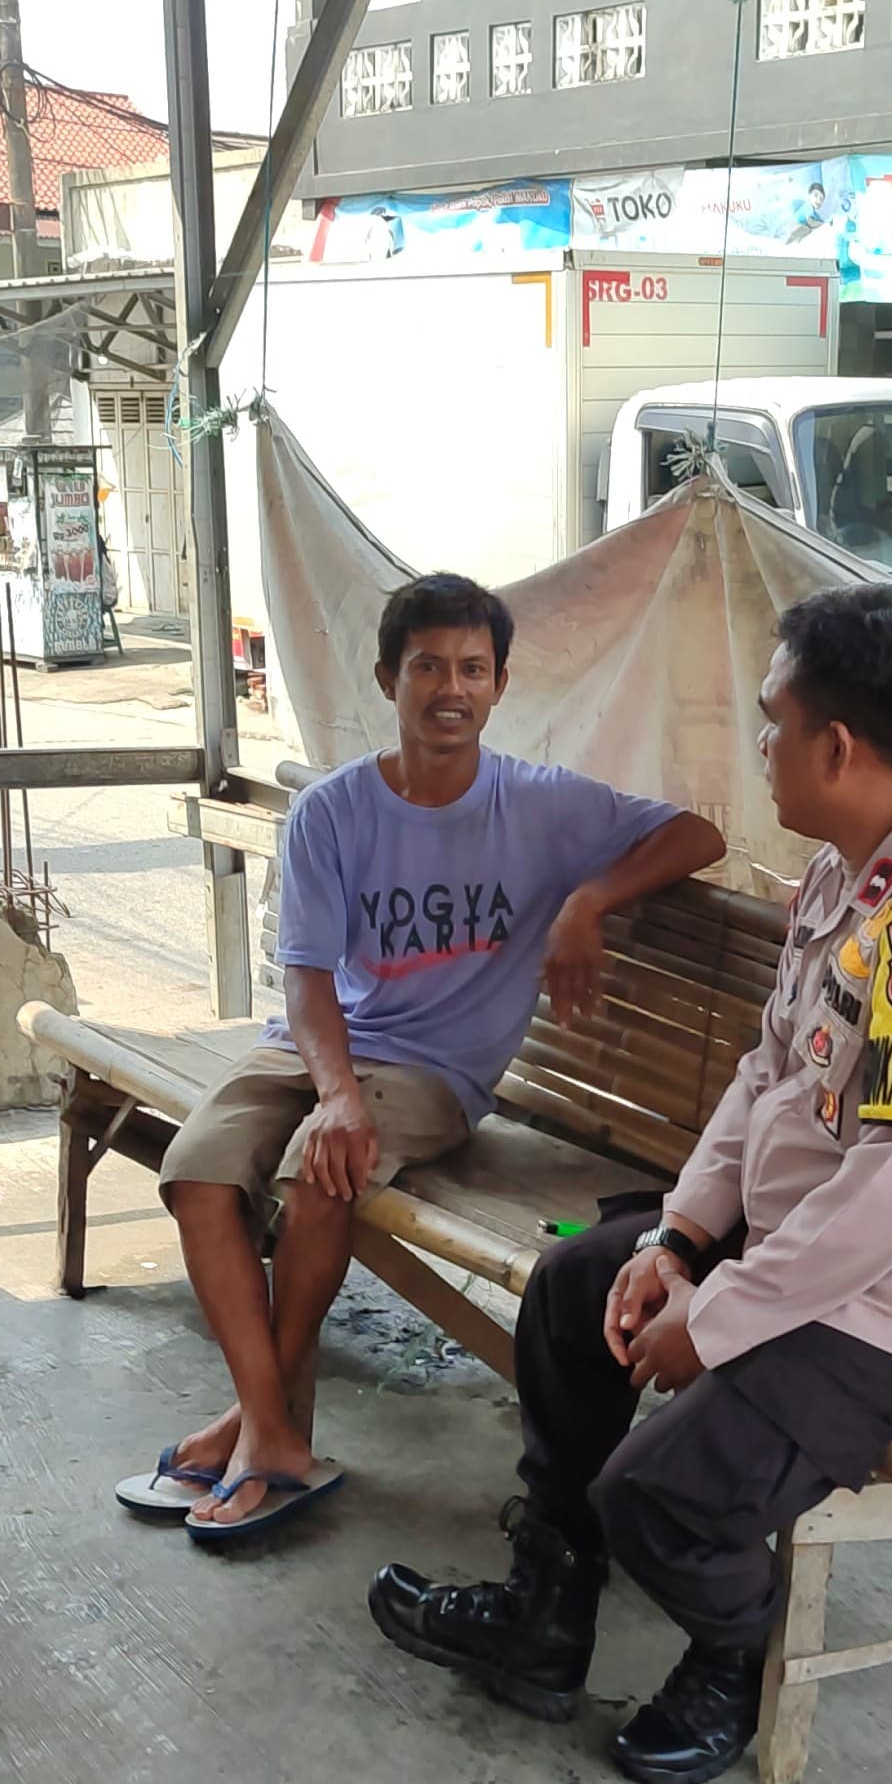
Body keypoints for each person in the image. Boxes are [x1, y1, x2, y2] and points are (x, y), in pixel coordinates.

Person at [370, 581, 892, 1784]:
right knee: (575, 1289)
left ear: (837, 747)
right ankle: (547, 1611)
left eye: (772, 719)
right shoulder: (850, 876)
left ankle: (730, 1656)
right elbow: (772, 1073)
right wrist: (682, 1241)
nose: (761, 743)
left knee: (660, 1495)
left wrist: (719, 1317)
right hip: (826, 1249)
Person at [123, 570, 725, 1548]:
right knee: (196, 1173)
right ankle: (270, 1425)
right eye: (429, 667)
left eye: (473, 669)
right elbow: (307, 979)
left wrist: (586, 901)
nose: (453, 688)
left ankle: (263, 1430)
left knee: (319, 1177)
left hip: (436, 1074)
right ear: (387, 679)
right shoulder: (334, 811)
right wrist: (336, 1093)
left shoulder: (539, 805)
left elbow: (698, 834)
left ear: (500, 685)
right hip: (318, 1046)